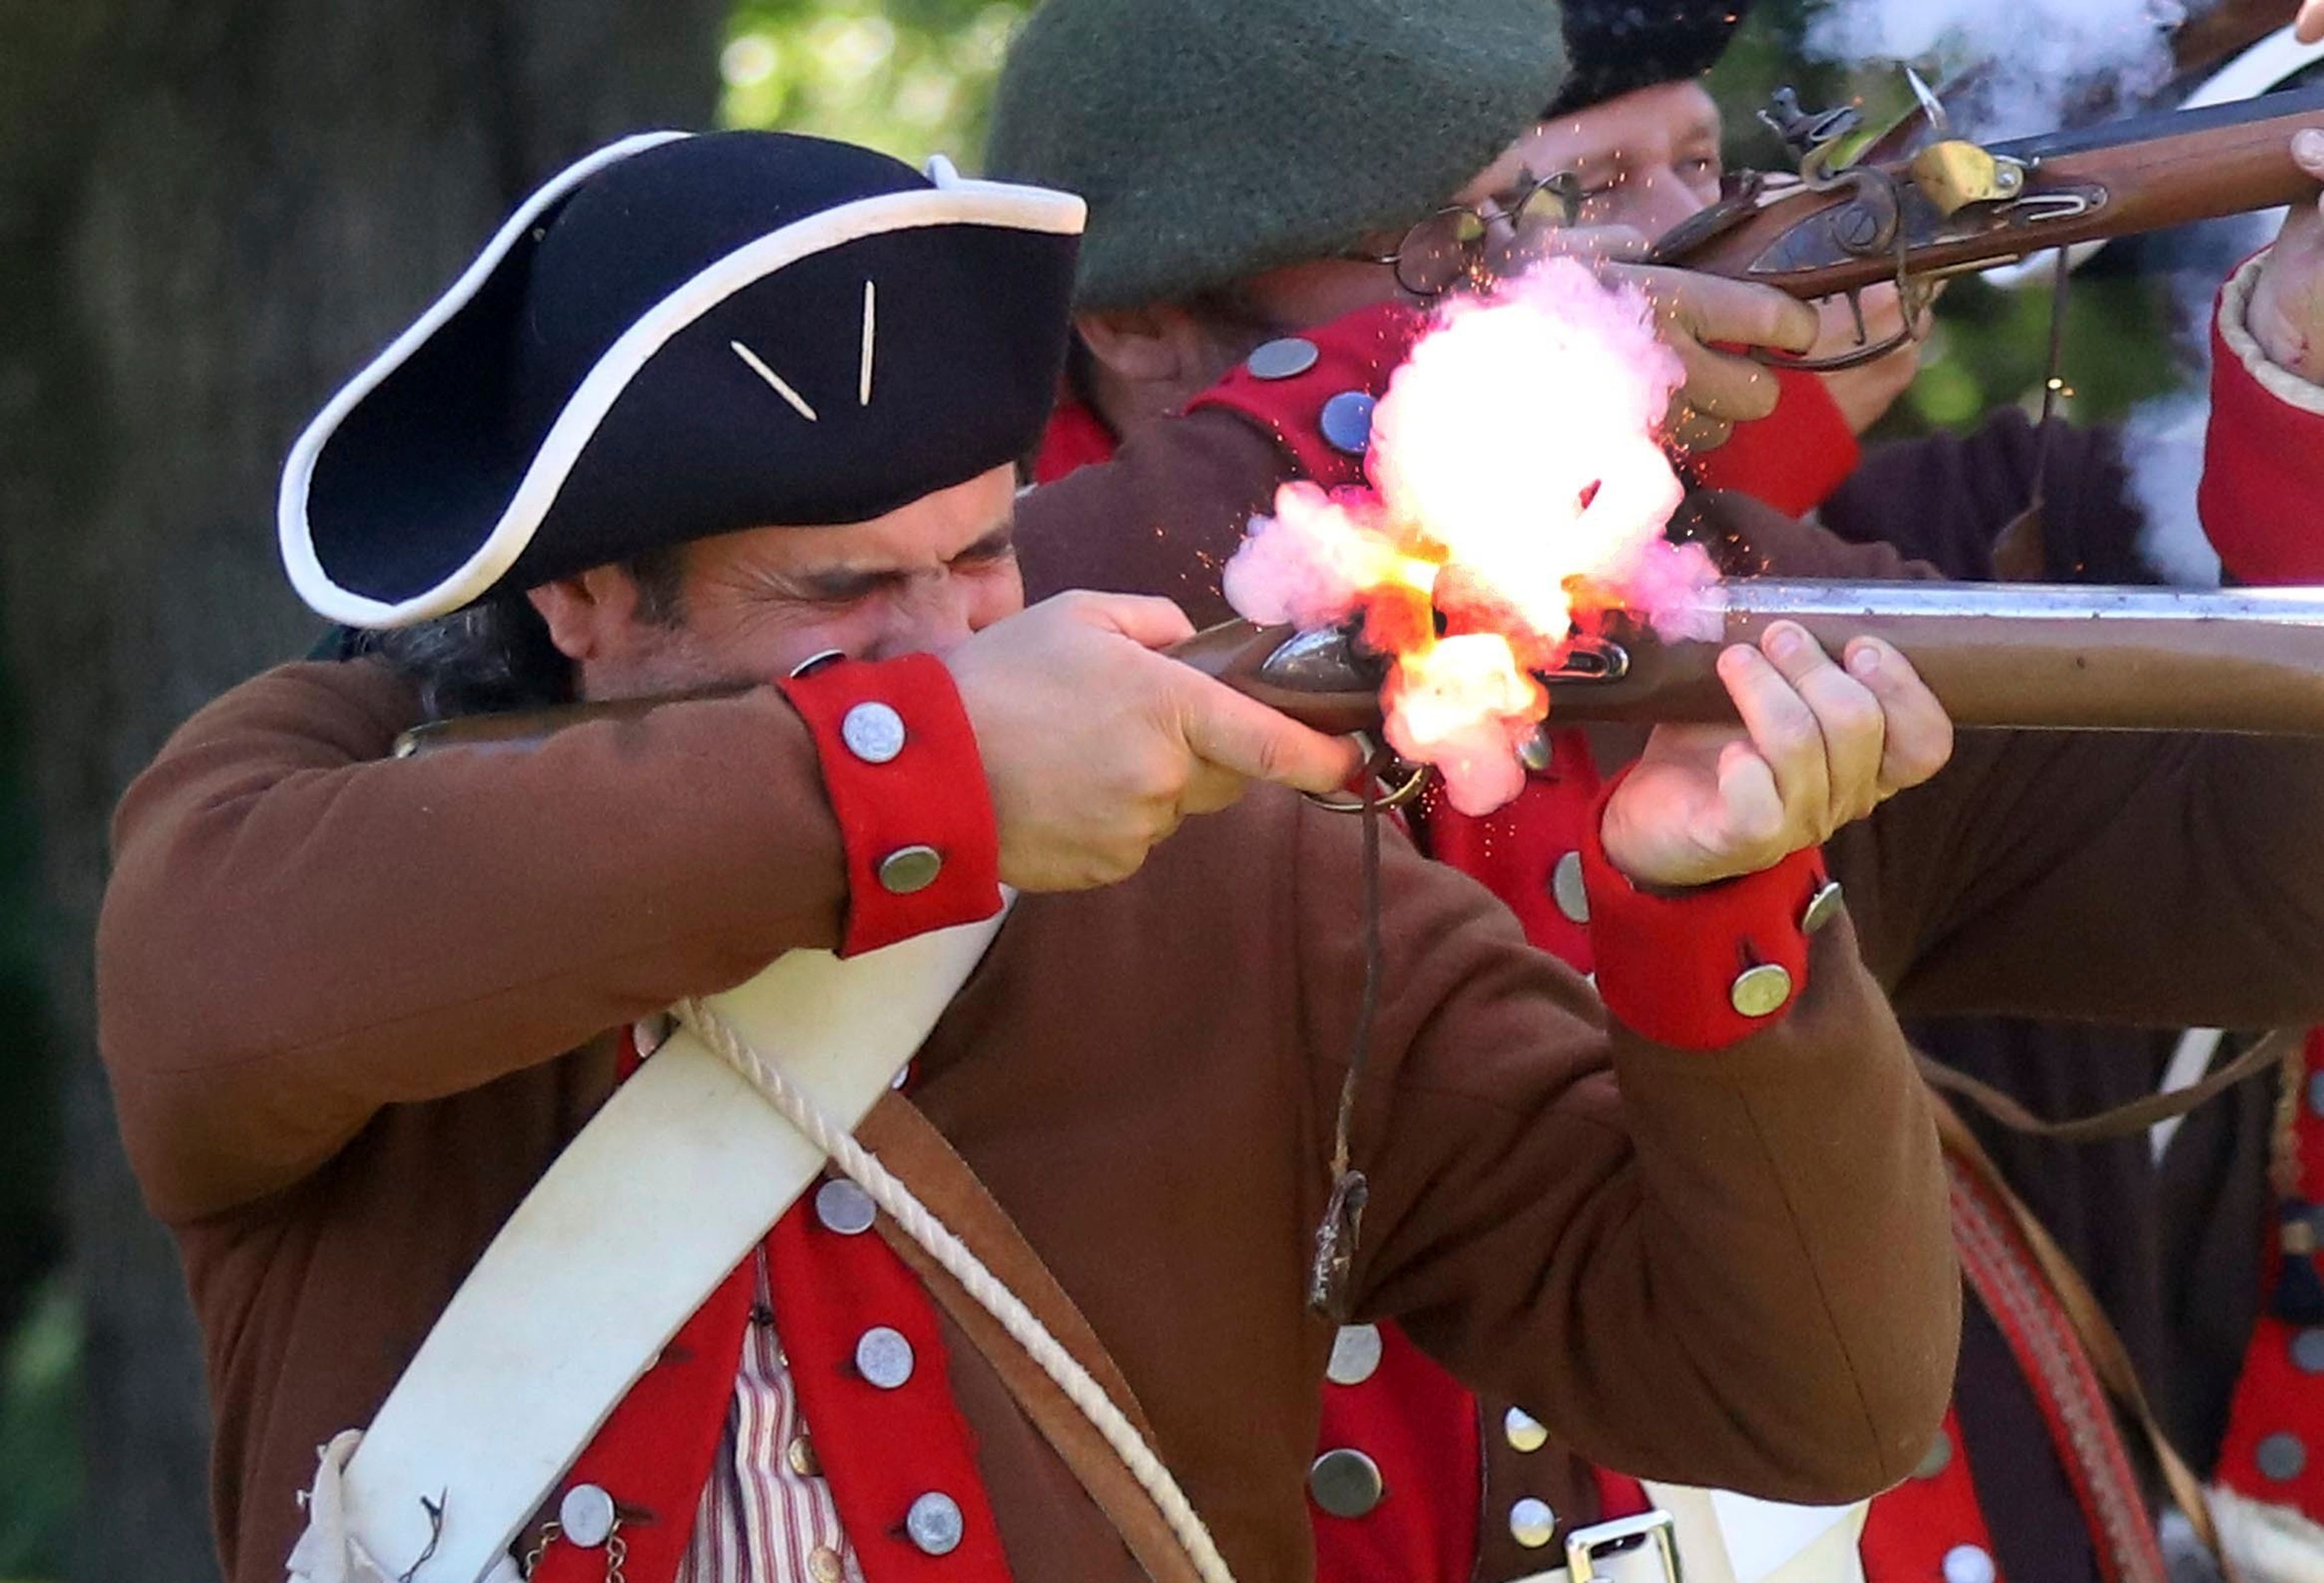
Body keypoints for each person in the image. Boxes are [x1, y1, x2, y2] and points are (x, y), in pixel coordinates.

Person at [95, 125, 1968, 1583]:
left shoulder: (1249, 890)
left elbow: (1807, 1392)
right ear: (584, 601)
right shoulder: (311, 800)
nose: (957, 649)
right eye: (846, 594)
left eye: (980, 559)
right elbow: (231, 990)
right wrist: (930, 784)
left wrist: (1708, 913)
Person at [982, 0, 2324, 1578]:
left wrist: (2299, 350)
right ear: (1138, 323)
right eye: (1459, 252)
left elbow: (2255, 889)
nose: (1588, 290)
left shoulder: (1701, 578)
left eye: (1547, 225)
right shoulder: (991, 667)